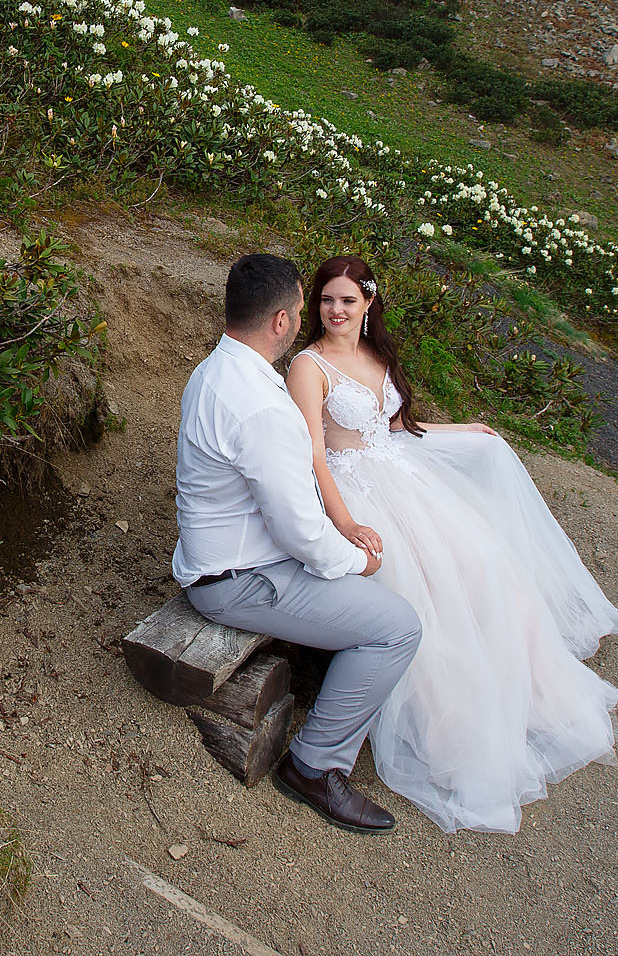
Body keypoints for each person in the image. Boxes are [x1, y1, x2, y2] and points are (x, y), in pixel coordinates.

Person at [285, 254, 618, 833]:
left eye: (347, 300)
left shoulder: (377, 354)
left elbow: (393, 431)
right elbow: (313, 454)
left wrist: (460, 430)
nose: (336, 310)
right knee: (420, 592)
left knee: (482, 563)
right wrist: (345, 524)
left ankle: (526, 690)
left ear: (368, 304)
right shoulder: (309, 366)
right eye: (326, 300)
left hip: (404, 476)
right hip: (354, 489)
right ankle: (452, 729)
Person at [174, 253, 423, 835]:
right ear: (283, 322)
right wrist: (357, 559)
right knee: (398, 627)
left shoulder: (217, 369)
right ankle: (314, 765)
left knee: (378, 600)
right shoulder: (262, 405)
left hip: (228, 558)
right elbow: (301, 533)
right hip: (238, 581)